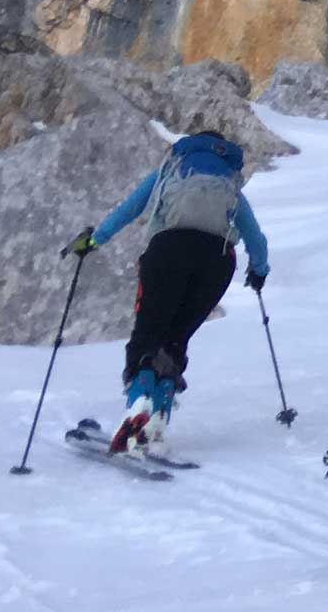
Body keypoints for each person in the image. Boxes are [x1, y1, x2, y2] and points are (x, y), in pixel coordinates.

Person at [66, 130, 270, 458]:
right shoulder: (230, 185)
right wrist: (258, 272)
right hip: (216, 264)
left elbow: (129, 209)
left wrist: (94, 240)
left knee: (147, 334)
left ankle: (138, 407)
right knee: (175, 339)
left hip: (167, 252)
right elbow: (256, 239)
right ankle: (157, 423)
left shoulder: (170, 171)